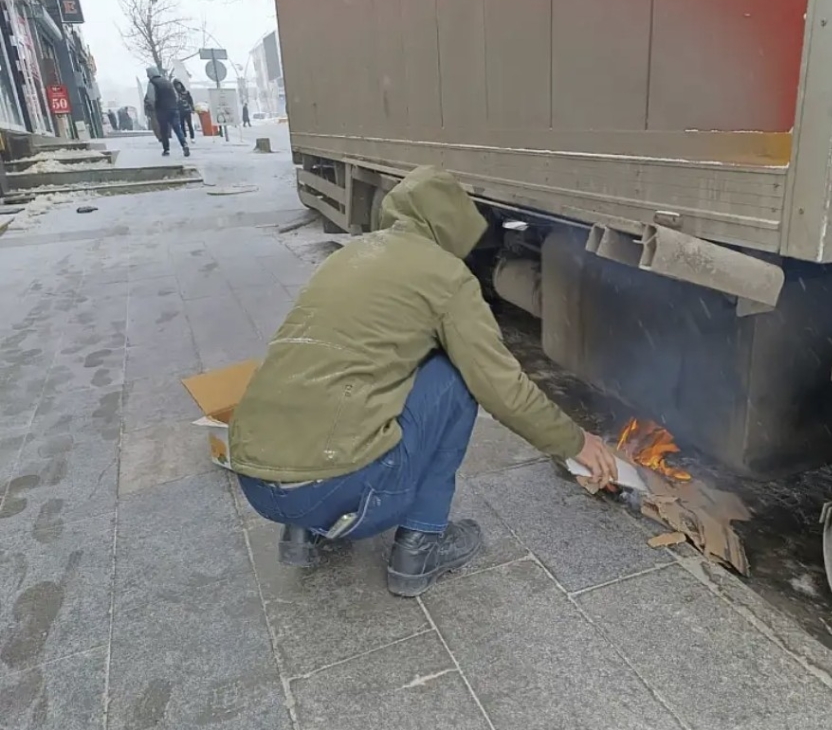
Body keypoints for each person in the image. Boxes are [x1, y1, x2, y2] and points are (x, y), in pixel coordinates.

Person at [229, 166, 618, 596]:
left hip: (256, 481)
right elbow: (501, 388)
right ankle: (420, 546)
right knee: (457, 377)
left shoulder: (350, 256)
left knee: (334, 368)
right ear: (453, 225)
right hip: (341, 487)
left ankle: (302, 533)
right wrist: (576, 443)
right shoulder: (446, 276)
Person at [144, 66, 190, 157]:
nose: (147, 76)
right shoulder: (167, 82)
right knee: (177, 128)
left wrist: (153, 107)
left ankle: (166, 150)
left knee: (164, 130)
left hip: (161, 110)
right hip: (173, 109)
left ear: (151, 74)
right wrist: (173, 105)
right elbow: (176, 96)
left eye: (148, 74)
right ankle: (184, 144)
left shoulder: (152, 83)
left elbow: (151, 98)